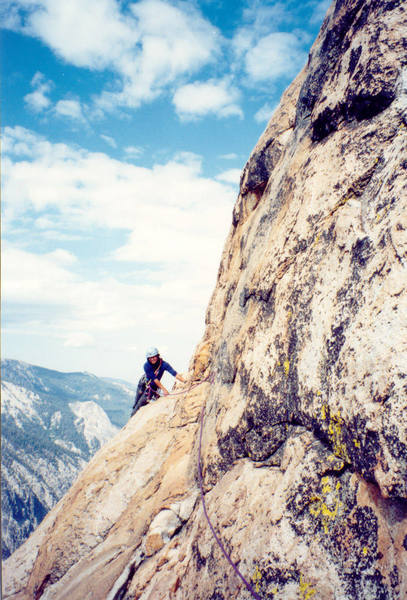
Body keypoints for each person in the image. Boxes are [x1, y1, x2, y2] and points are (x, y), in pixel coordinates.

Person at [131, 347, 187, 416]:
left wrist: (185, 381)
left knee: (140, 404)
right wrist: (164, 390)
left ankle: (133, 415)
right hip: (143, 384)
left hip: (151, 387)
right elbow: (154, 379)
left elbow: (174, 374)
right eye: (150, 358)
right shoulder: (146, 365)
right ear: (148, 358)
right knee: (136, 402)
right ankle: (132, 416)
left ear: (157, 356)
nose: (153, 359)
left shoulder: (164, 365)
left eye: (154, 357)